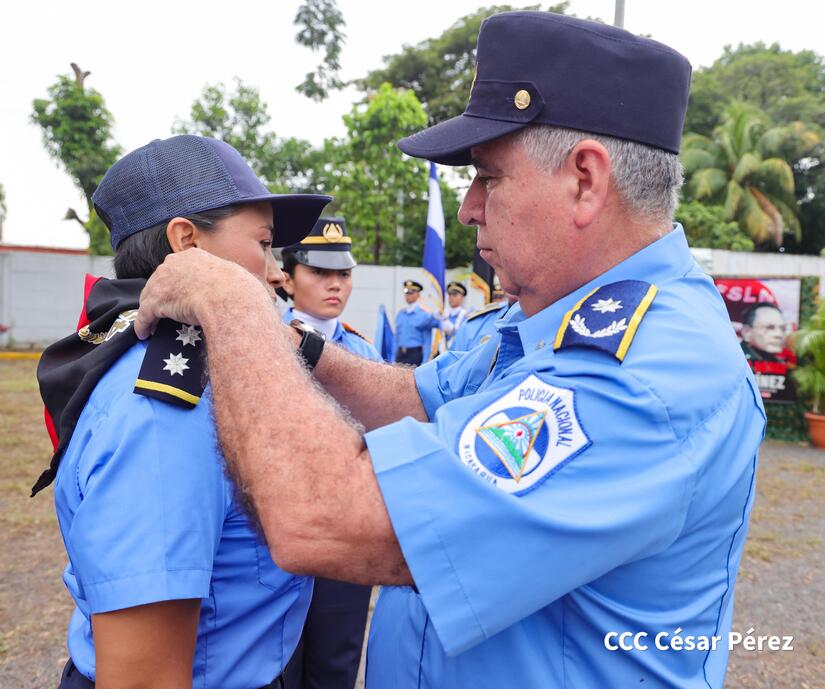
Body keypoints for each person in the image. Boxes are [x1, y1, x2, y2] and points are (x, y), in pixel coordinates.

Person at [134, 12, 766, 689]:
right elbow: (414, 398)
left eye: (488, 177)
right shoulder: (541, 315)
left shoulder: (648, 372)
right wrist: (297, 343)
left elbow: (325, 517)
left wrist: (231, 305)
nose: (468, 208)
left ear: (584, 179)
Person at [35, 135, 330, 689]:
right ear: (186, 243)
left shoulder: (192, 375)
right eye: (264, 244)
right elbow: (144, 678)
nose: (276, 273)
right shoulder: (171, 411)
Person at [278, 216, 377, 689]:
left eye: (344, 274)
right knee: (274, 663)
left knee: (336, 663)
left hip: (344, 533)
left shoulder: (364, 352)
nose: (335, 284)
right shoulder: (258, 340)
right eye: (320, 273)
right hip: (272, 532)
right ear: (288, 276)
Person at [450, 281, 510, 351]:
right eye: (495, 296)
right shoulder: (477, 319)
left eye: (500, 297)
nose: (498, 300)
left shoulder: (467, 314)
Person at [394, 279, 441, 365]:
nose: (408, 295)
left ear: (418, 294)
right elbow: (397, 337)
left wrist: (425, 361)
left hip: (415, 354)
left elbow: (428, 338)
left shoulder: (425, 314)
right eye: (406, 293)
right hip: (400, 354)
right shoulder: (401, 313)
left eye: (411, 292)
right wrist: (393, 357)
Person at [440, 281, 469, 348]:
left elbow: (466, 336)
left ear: (462, 297)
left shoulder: (466, 316)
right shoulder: (443, 314)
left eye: (455, 294)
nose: (451, 297)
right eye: (450, 294)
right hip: (442, 353)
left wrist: (453, 330)